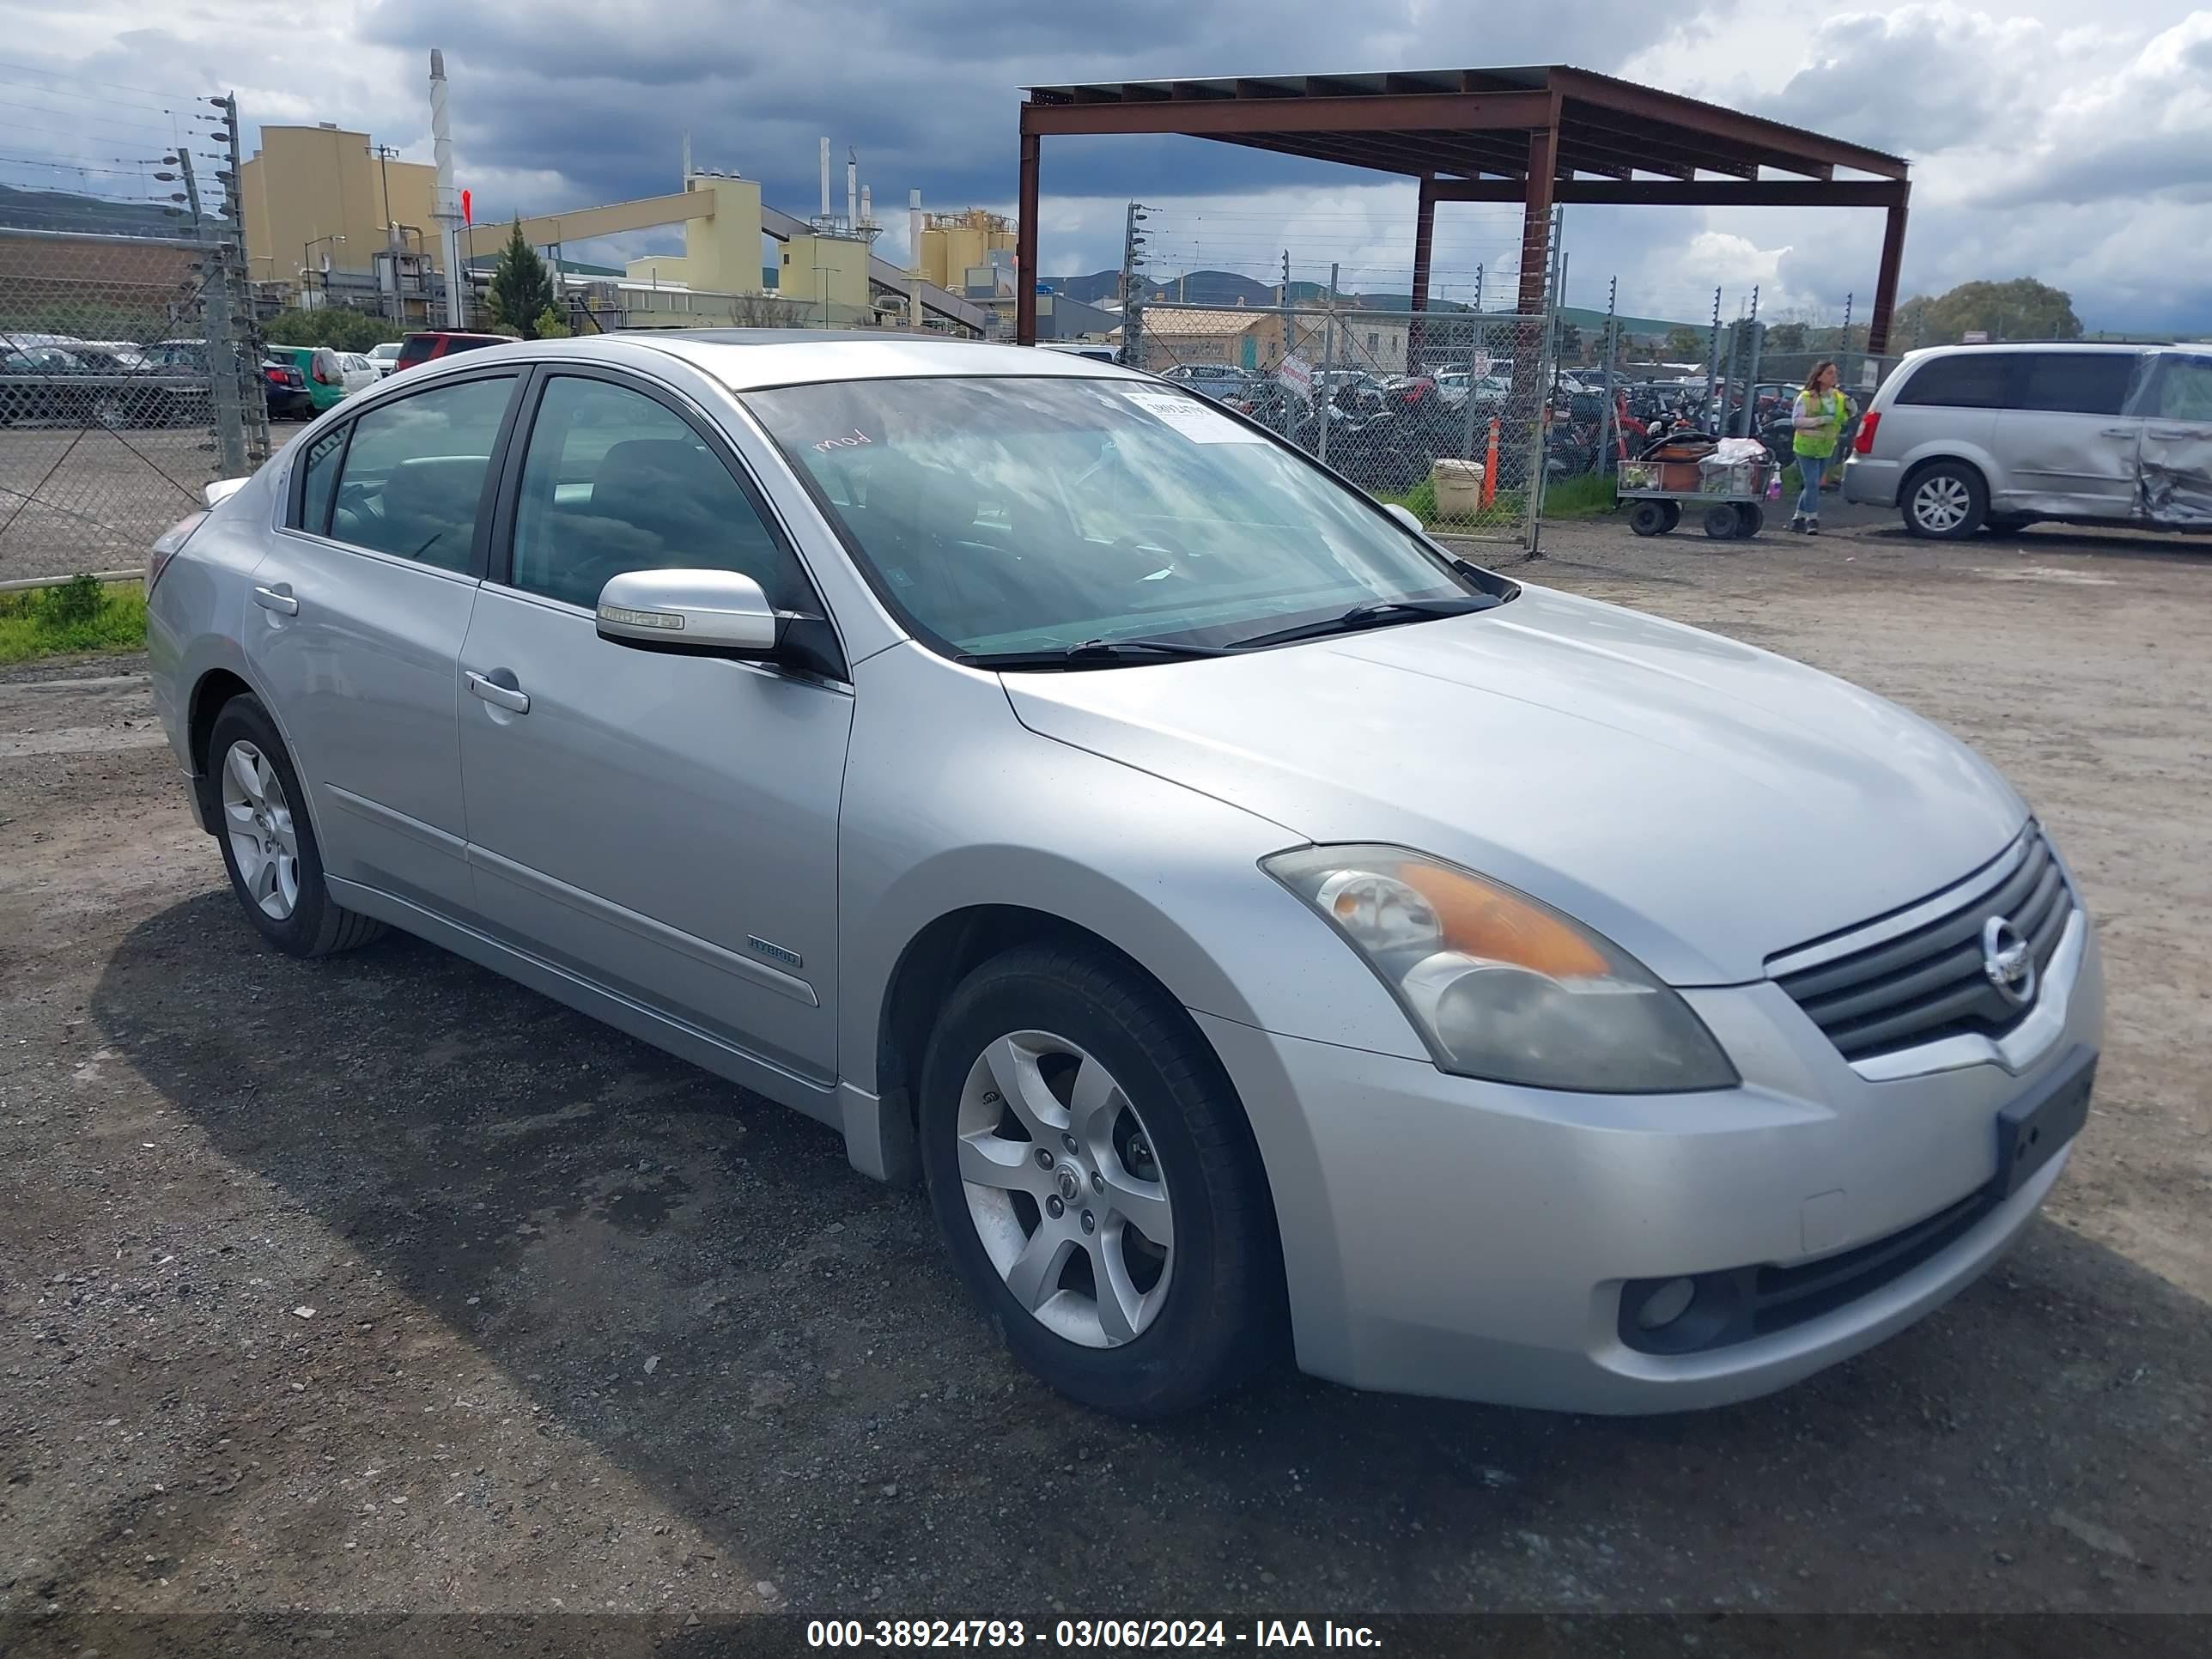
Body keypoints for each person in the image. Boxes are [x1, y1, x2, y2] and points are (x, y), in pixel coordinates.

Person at [1789, 361, 1853, 534]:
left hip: (1826, 448)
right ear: (1819, 376)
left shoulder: (1838, 397)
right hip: (1806, 447)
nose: (1834, 376)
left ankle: (1798, 518)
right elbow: (1796, 420)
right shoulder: (1806, 397)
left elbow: (1842, 418)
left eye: (1835, 373)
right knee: (1812, 484)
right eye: (1830, 373)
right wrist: (1820, 420)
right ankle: (1812, 519)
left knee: (1814, 484)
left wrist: (1850, 410)